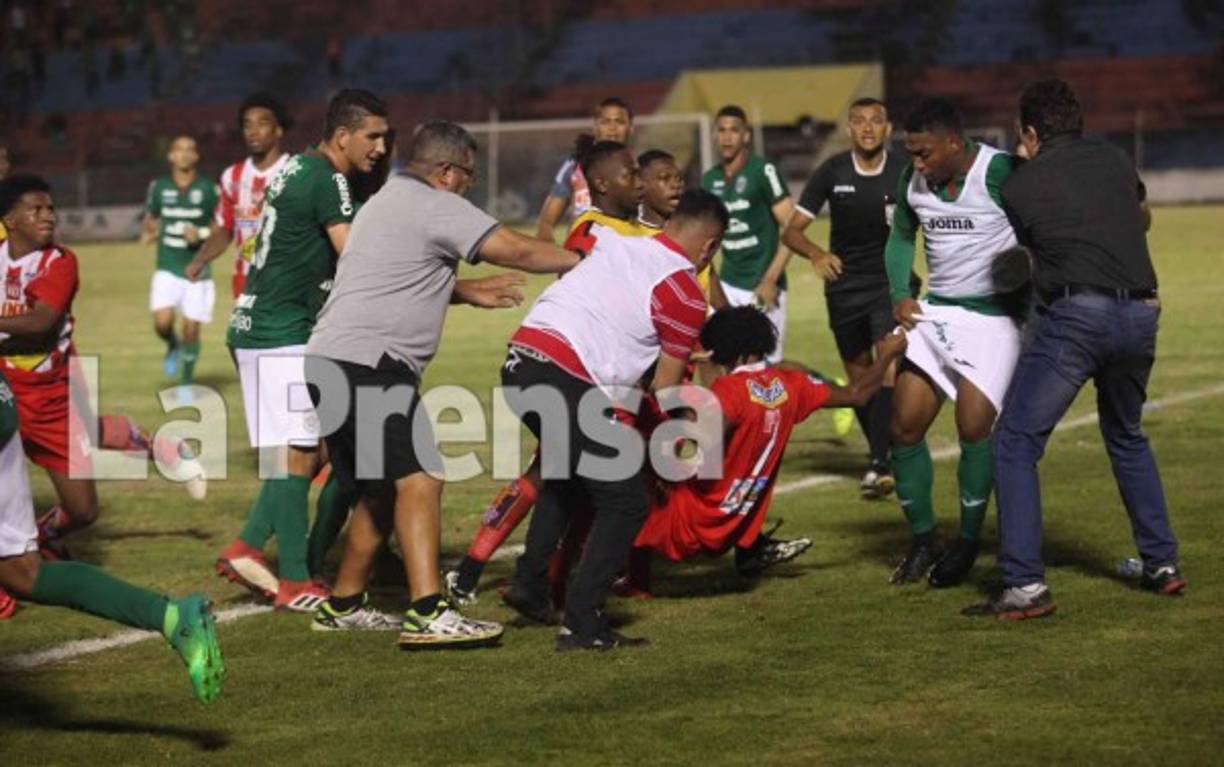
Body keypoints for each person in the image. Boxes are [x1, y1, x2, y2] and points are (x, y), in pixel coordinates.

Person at [304, 120, 580, 646]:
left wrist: (466, 292)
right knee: (422, 477)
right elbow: (515, 249)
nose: (468, 187)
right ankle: (429, 612)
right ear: (448, 172)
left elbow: (397, 273)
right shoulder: (436, 204)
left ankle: (343, 604)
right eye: (468, 177)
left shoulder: (383, 202)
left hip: (329, 359)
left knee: (379, 491)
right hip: (371, 363)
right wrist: (582, 260)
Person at [965, 79, 1184, 620]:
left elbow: (1034, 252)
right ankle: (1162, 564)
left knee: (1014, 442)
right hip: (1142, 311)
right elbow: (1141, 218)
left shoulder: (1021, 184)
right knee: (1126, 435)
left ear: (1030, 133)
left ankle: (1025, 585)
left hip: (1079, 318)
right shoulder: (1113, 158)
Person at [500, 188, 723, 651]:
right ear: (709, 247)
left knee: (568, 474)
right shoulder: (684, 290)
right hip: (565, 375)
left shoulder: (613, 240)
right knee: (625, 501)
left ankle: (530, 584)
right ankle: (583, 624)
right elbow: (666, 387)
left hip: (521, 360)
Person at [216, 89, 389, 612]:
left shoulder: (298, 168)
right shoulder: (325, 178)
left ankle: (248, 546)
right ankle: (294, 579)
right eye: (373, 137)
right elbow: (353, 257)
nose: (381, 148)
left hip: (264, 325)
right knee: (298, 452)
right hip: (279, 331)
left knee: (314, 450)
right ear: (343, 135)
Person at [0, 174, 205, 605]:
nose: (48, 216)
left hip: (51, 397)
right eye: (36, 210)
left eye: (50, 208)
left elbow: (40, 323)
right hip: (7, 394)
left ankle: (155, 447)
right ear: (10, 220)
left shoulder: (59, 262)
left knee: (83, 510)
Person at [625, 306, 907, 593]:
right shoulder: (791, 384)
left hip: (693, 521)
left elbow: (698, 438)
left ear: (728, 350)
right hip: (735, 523)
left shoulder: (728, 392)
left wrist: (667, 390)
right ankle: (753, 550)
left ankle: (633, 583)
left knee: (623, 473)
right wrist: (886, 356)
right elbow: (858, 395)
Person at [0, 368, 225, 703]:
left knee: (75, 514)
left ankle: (161, 447)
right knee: (23, 573)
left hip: (33, 394)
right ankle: (171, 616)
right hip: (11, 401)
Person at [884, 98, 1023, 588]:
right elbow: (901, 237)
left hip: (994, 317)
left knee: (973, 425)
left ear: (954, 143)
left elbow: (1042, 225)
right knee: (903, 425)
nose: (917, 163)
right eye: (912, 153)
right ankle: (925, 540)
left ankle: (967, 541)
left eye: (924, 153)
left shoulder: (999, 172)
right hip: (938, 311)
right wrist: (900, 293)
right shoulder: (912, 180)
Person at [783, 97, 914, 499]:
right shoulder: (833, 170)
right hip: (844, 288)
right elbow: (792, 230)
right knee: (860, 379)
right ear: (849, 128)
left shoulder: (905, 172)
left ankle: (880, 463)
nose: (868, 128)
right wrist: (816, 254)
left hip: (888, 284)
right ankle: (882, 455)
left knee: (887, 365)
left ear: (888, 128)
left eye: (876, 121)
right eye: (859, 121)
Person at [701, 105, 795, 364]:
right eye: (721, 130)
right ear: (714, 135)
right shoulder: (709, 180)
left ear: (746, 136)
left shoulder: (762, 170)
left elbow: (792, 229)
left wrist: (770, 280)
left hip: (763, 284)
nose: (727, 137)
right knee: (722, 359)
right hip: (728, 284)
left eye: (734, 130)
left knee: (767, 365)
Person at [186, 93, 293, 298]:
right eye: (247, 125)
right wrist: (200, 260)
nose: (253, 131)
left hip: (289, 281)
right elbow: (224, 229)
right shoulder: (232, 176)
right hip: (246, 282)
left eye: (262, 124)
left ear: (279, 129)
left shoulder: (296, 172)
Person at [140, 134, 220, 389]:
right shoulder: (159, 187)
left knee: (191, 329)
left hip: (197, 269)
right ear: (170, 156)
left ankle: (186, 383)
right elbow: (151, 220)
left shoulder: (208, 189)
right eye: (178, 150)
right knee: (162, 323)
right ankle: (172, 343)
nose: (184, 154)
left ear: (196, 156)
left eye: (189, 150)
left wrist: (201, 234)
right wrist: (150, 232)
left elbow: (221, 229)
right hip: (167, 266)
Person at [535, 97, 634, 243]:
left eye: (619, 122)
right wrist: (547, 242)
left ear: (631, 127)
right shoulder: (575, 165)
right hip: (581, 251)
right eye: (605, 122)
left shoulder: (641, 168)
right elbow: (546, 222)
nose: (612, 128)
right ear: (595, 127)